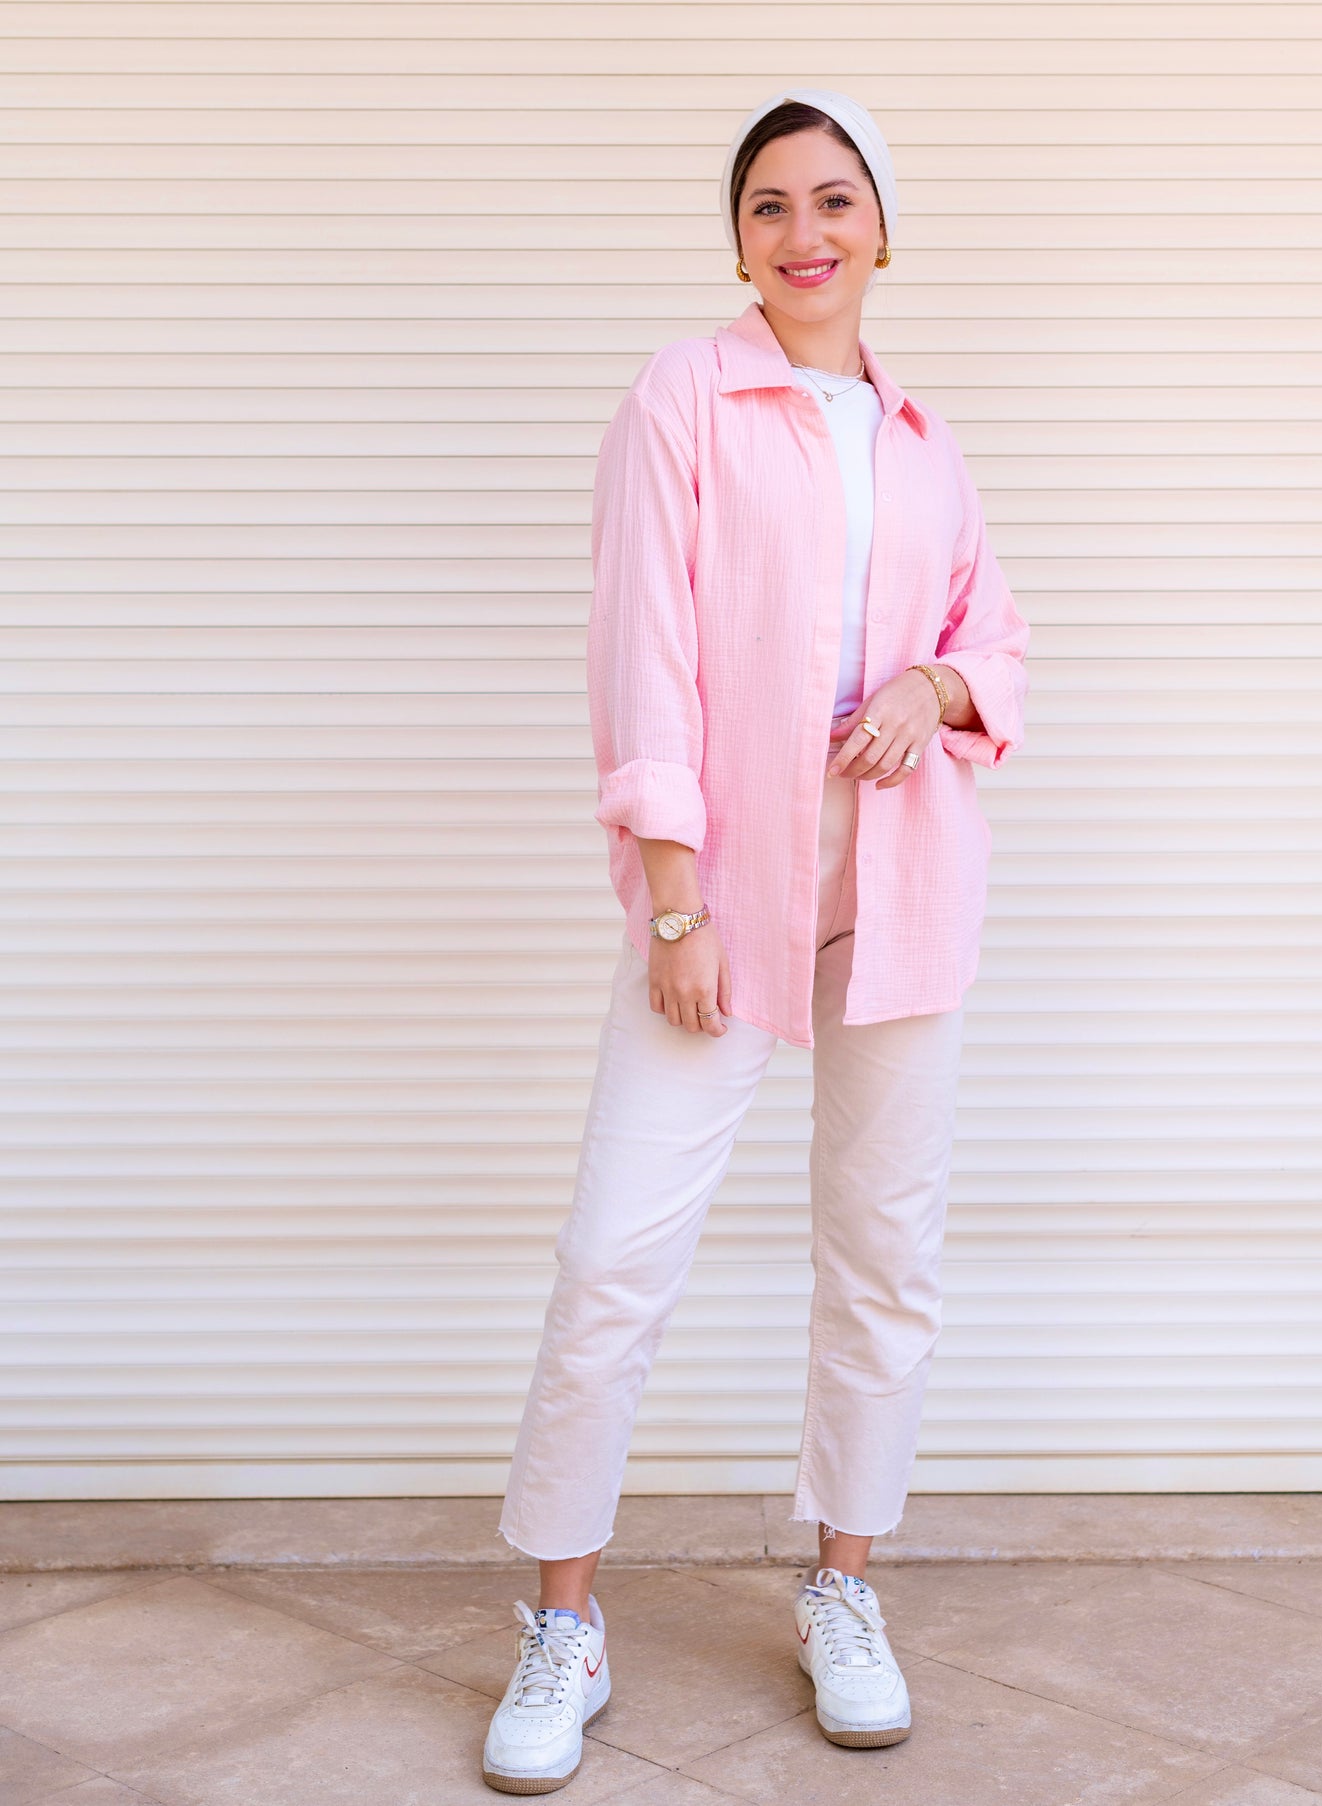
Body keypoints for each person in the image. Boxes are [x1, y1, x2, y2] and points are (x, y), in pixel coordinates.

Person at [483, 86, 1029, 1794]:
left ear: (883, 229)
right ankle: (562, 1622)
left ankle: (841, 1583)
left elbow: (991, 640)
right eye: (772, 206)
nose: (806, 234)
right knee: (612, 1265)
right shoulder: (685, 397)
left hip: (901, 910)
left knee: (884, 1264)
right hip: (716, 911)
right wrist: (674, 895)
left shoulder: (925, 440)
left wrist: (938, 687)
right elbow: (639, 645)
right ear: (739, 241)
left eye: (836, 201)